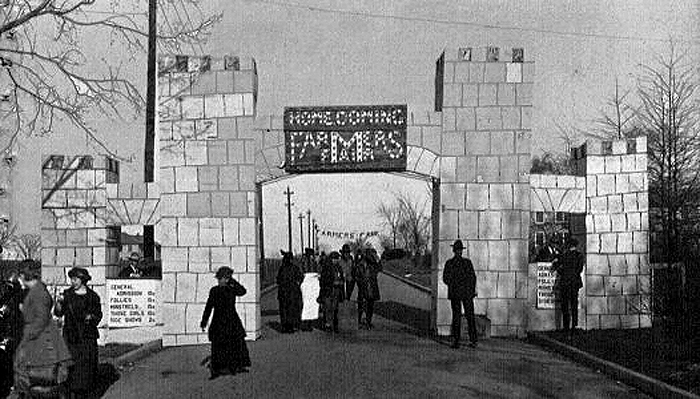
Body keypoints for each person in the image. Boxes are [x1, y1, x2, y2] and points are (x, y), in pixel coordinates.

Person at [14, 261, 72, 397]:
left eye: (19, 277)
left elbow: (41, 319)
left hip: (40, 339)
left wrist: (27, 336)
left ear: (23, 275)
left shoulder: (38, 293)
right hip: (40, 336)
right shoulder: (37, 290)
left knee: (40, 377)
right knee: (35, 377)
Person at [54, 267, 102, 398]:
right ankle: (71, 393)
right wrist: (58, 302)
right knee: (71, 366)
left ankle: (85, 393)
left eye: (75, 279)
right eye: (71, 279)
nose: (73, 282)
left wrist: (91, 317)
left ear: (83, 280)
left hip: (87, 336)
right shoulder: (67, 295)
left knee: (86, 366)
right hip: (71, 335)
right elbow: (58, 312)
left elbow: (98, 314)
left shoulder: (92, 296)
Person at [200, 267, 251, 380]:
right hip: (219, 321)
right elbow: (209, 307)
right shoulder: (214, 290)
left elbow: (243, 291)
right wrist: (204, 321)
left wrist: (233, 281)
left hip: (232, 319)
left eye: (224, 278)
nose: (221, 280)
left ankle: (236, 366)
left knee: (236, 343)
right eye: (221, 278)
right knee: (218, 346)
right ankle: (216, 370)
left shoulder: (232, 289)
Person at [442, 239, 477, 349]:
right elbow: (446, 278)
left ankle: (466, 340)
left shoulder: (452, 263)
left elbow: (472, 278)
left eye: (459, 250)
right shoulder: (459, 263)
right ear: (455, 251)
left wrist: (456, 285)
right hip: (462, 293)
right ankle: (465, 340)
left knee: (465, 316)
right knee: (462, 317)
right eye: (458, 250)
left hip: (461, 293)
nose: (459, 252)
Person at [552, 237, 584, 334]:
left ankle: (566, 327)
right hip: (574, 283)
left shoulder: (563, 255)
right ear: (576, 246)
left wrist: (562, 272)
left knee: (565, 306)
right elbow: (580, 269)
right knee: (574, 305)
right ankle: (574, 326)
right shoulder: (579, 256)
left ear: (568, 246)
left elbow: (556, 266)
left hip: (565, 283)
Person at [0, 271, 23, 398]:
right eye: (7, 284)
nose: (9, 287)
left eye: (11, 284)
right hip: (5, 337)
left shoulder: (19, 298)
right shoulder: (4, 298)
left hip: (15, 337)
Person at [353, 247, 382, 329]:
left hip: (372, 286)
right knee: (361, 305)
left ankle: (368, 322)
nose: (372, 256)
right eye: (370, 254)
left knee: (370, 306)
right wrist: (360, 284)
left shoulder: (374, 264)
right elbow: (357, 275)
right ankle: (358, 322)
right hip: (363, 286)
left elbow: (380, 269)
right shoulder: (361, 264)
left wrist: (378, 260)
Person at [276, 250, 303, 333]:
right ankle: (291, 327)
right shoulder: (295, 268)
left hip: (283, 293)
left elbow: (278, 280)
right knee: (292, 310)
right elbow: (300, 277)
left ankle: (285, 327)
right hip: (293, 293)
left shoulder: (282, 268)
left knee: (284, 310)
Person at [319, 251, 345, 332]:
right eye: (334, 259)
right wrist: (332, 282)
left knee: (334, 308)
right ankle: (327, 324)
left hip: (336, 290)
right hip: (328, 290)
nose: (336, 260)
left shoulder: (339, 268)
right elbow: (323, 281)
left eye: (337, 259)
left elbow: (342, 278)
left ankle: (334, 324)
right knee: (327, 307)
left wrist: (341, 282)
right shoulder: (326, 268)